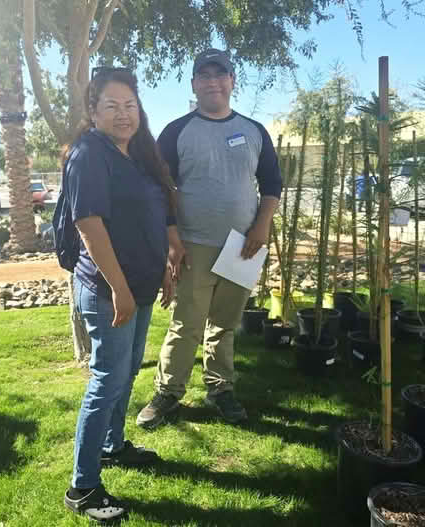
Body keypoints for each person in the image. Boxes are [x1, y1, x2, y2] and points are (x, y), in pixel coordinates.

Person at [136, 49, 281, 430]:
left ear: (232, 81)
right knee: (187, 324)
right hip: (194, 244)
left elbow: (272, 185)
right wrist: (171, 235)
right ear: (194, 84)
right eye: (205, 75)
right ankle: (168, 392)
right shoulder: (177, 131)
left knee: (225, 323)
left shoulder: (254, 130)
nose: (213, 81)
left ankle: (220, 389)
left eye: (221, 74)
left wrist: (261, 226)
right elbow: (159, 186)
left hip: (245, 245)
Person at [62, 67, 176, 523]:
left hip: (140, 286)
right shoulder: (90, 153)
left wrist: (165, 267)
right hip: (111, 289)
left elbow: (154, 213)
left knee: (126, 374)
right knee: (107, 380)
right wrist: (120, 290)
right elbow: (89, 225)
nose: (123, 114)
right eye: (111, 105)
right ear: (93, 111)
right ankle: (83, 487)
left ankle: (113, 446)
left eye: (130, 105)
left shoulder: (136, 154)